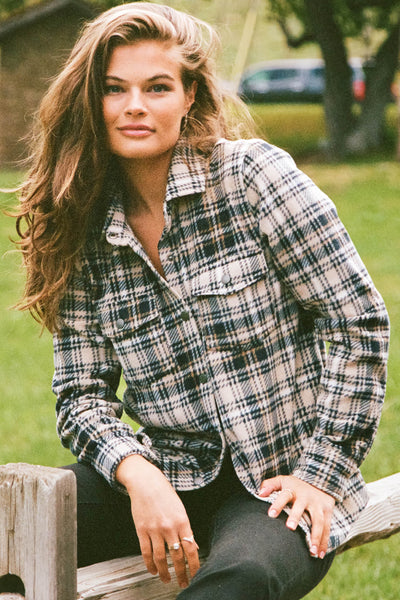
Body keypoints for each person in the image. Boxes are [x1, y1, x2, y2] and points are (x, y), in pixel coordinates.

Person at [13, 3, 389, 599]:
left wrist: (320, 475)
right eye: (114, 89)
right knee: (13, 521)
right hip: (165, 470)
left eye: (157, 87)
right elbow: (80, 394)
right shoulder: (82, 225)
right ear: (91, 100)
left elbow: (356, 322)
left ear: (189, 95)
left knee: (241, 579)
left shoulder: (253, 178)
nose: (135, 105)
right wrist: (139, 476)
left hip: (283, 481)